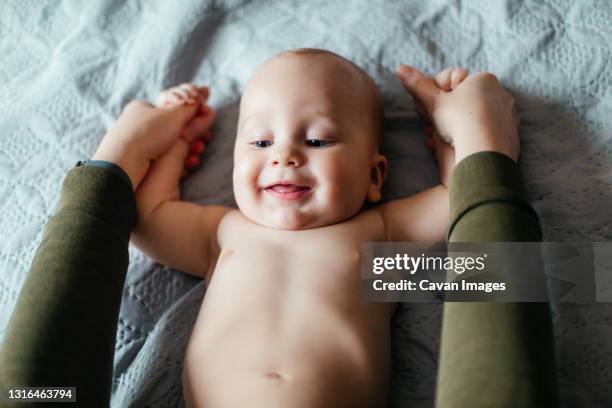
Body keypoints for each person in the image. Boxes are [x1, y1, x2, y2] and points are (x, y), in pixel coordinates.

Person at [0, 48, 557, 407]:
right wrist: (171, 146)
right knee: (36, 393)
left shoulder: (379, 245)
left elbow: (472, 231)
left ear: (373, 175)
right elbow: (147, 218)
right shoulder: (225, 236)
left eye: (316, 140)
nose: (284, 156)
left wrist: (452, 142)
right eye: (260, 141)